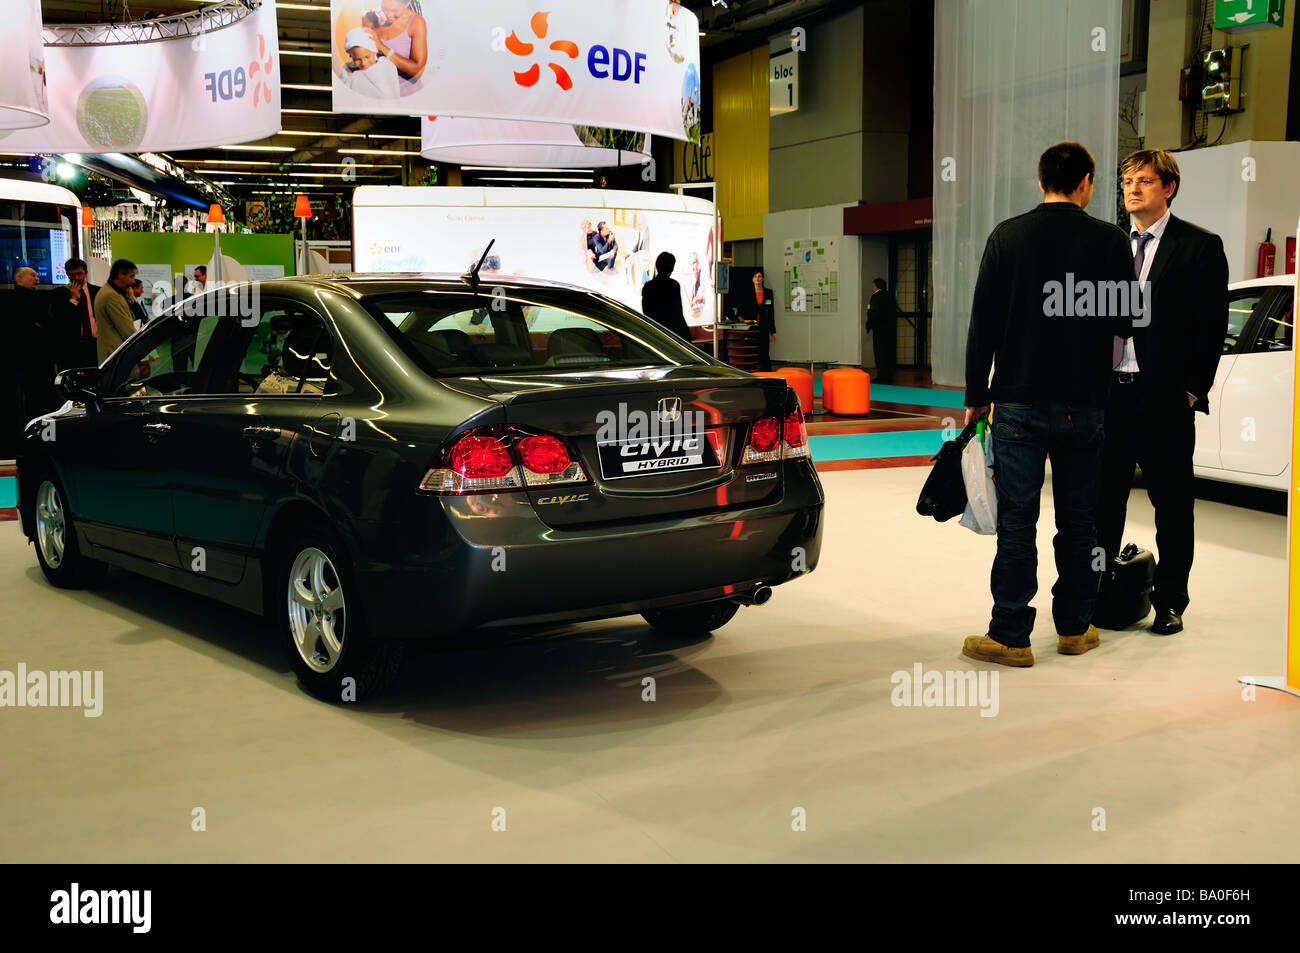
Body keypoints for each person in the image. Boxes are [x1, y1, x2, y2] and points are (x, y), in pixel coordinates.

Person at [961, 141, 1136, 668]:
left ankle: (1011, 634)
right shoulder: (1110, 241)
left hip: (1017, 401)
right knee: (1081, 519)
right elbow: (1129, 322)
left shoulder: (1006, 237)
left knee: (1018, 519)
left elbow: (982, 325)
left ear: (1042, 182)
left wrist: (976, 396)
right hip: (1085, 403)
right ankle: (1076, 627)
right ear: (1086, 183)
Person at [1096, 149, 1229, 636]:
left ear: (1168, 187)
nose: (1132, 189)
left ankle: (1171, 600)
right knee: (1102, 504)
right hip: (1110, 395)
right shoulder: (1108, 246)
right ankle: (1100, 590)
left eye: (1144, 181)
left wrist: (1194, 389)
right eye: (1127, 181)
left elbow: (1210, 326)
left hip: (1165, 399)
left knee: (1172, 508)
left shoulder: (1199, 246)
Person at [366, 0, 427, 97]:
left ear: (407, 3)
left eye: (395, 10)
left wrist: (382, 47)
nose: (389, 14)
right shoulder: (372, 19)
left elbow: (417, 72)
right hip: (381, 96)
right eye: (385, 8)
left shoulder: (416, 22)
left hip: (409, 97)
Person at [49, 257, 100, 370]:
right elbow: (61, 320)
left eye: (79, 274)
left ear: (86, 273)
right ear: (67, 274)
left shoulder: (97, 291)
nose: (76, 278)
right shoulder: (59, 294)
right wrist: (73, 299)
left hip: (95, 344)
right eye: (72, 275)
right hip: (72, 346)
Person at [94, 259, 140, 363]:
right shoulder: (111, 296)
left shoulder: (107, 291)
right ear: (120, 275)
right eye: (131, 276)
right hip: (116, 355)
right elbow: (127, 331)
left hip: (112, 354)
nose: (133, 281)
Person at [640, 252, 690, 342]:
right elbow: (677, 313)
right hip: (673, 334)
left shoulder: (647, 287)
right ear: (671, 269)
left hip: (655, 335)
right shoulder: (674, 285)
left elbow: (646, 313)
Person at [339, 28, 401, 99]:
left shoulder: (386, 66)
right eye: (357, 59)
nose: (363, 63)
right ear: (350, 55)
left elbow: (390, 95)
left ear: (374, 51)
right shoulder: (347, 70)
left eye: (367, 57)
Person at [737, 269, 776, 371]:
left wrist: (773, 331)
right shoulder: (747, 293)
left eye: (759, 276)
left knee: (765, 350)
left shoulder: (768, 293)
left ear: (763, 279)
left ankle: (767, 372)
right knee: (753, 349)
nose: (758, 278)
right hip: (751, 326)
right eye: (756, 276)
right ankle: (753, 371)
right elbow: (742, 306)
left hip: (764, 325)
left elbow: (771, 312)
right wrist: (740, 316)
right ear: (752, 279)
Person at [865, 277, 897, 383]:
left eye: (873, 285)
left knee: (880, 352)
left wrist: (869, 325)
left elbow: (873, 313)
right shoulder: (890, 295)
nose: (872, 287)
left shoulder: (875, 297)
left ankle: (881, 376)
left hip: (879, 329)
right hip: (890, 329)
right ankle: (889, 375)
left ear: (876, 286)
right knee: (889, 351)